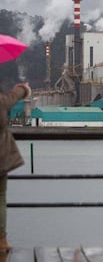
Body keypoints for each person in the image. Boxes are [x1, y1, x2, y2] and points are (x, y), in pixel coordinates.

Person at [0, 82, 31, 252]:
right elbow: (13, 97)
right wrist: (23, 89)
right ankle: (1, 240)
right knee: (1, 197)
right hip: (1, 158)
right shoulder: (2, 101)